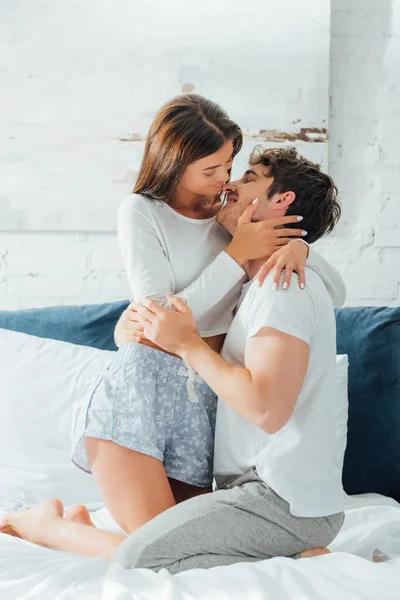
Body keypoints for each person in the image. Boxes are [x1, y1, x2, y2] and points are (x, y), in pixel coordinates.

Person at [0, 147, 346, 572]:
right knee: (166, 541)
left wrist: (187, 344)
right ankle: (287, 553)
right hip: (263, 493)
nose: (230, 185)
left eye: (249, 178)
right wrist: (301, 248)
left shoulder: (282, 287)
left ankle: (45, 526)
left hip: (283, 500)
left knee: (142, 555)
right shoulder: (258, 287)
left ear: (281, 201)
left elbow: (267, 410)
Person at [67, 93, 342, 536]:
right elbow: (160, 317)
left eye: (228, 167)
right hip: (148, 382)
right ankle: (44, 524)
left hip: (206, 395)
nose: (223, 181)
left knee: (183, 541)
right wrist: (235, 256)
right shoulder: (143, 212)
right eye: (210, 171)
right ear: (173, 163)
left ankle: (78, 524)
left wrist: (301, 246)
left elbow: (336, 289)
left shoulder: (229, 214)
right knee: (157, 542)